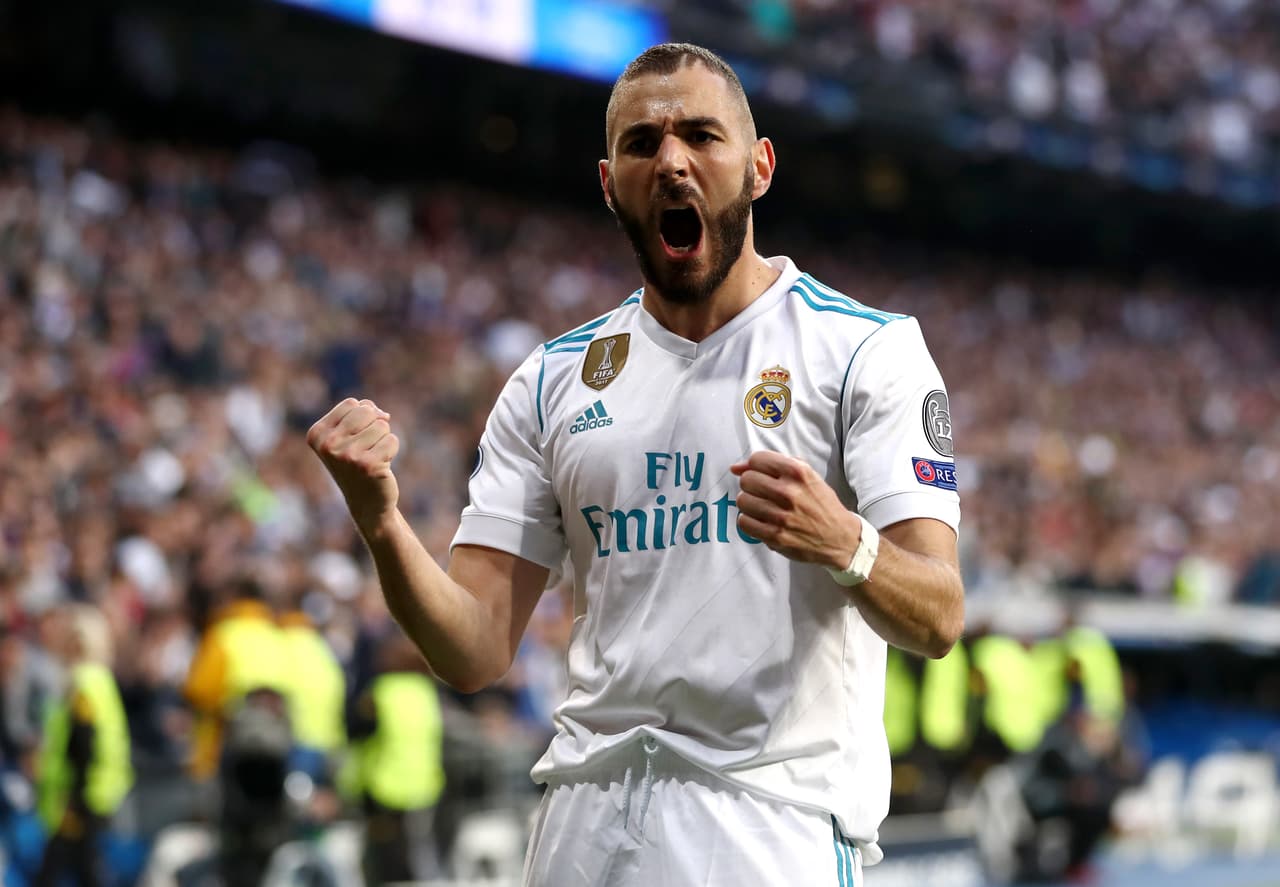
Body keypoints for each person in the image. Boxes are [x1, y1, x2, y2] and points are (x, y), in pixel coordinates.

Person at [307, 42, 964, 885]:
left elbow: (940, 613)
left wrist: (847, 543)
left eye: (701, 135)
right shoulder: (553, 379)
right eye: (643, 143)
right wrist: (382, 522)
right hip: (581, 823)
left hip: (767, 822)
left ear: (760, 166)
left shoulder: (866, 352)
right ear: (609, 181)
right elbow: (471, 648)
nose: (673, 161)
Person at [33, 605, 133, 887]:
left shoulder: (82, 683)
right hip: (94, 792)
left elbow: (83, 744)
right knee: (82, 868)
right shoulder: (101, 679)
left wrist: (73, 798)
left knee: (62, 869)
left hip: (79, 795)